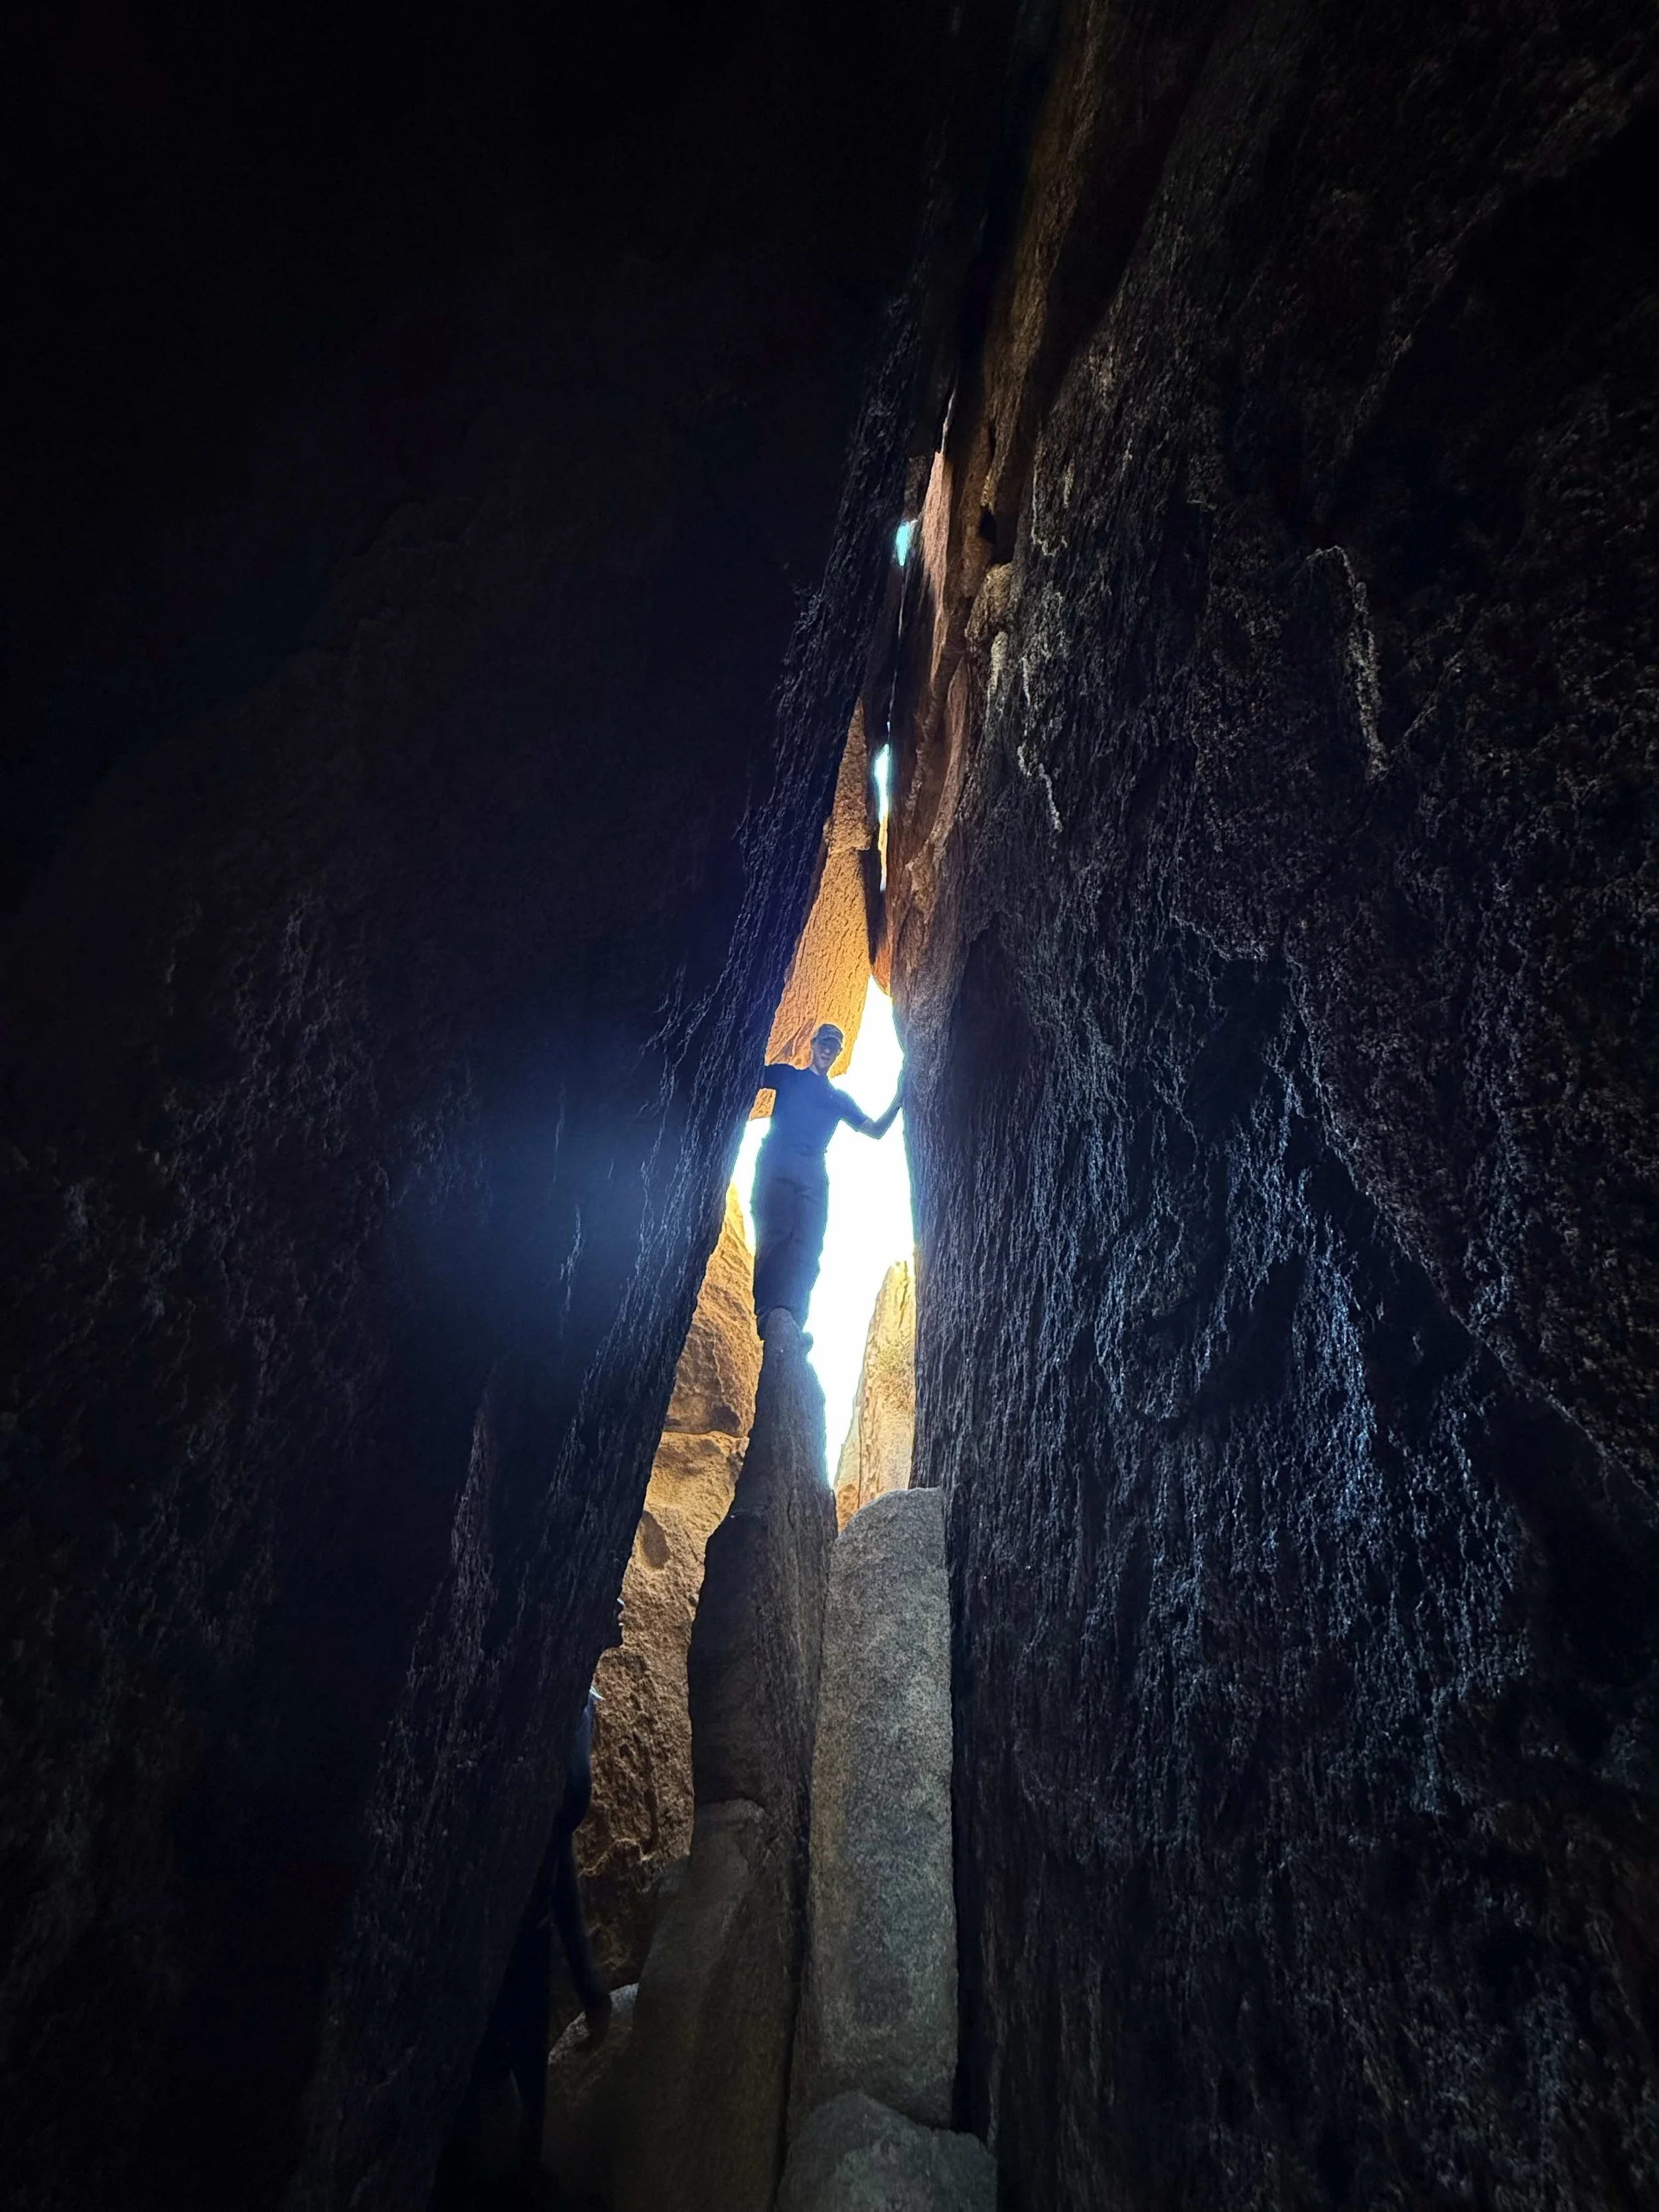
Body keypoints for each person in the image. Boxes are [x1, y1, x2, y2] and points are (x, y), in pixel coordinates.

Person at [752, 1020, 903, 1335]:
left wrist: (901, 1095)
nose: (827, 1050)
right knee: (776, 1234)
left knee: (809, 1244)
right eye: (823, 1043)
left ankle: (793, 1318)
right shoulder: (788, 1076)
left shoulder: (838, 1099)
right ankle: (768, 1311)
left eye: (833, 1047)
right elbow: (748, 1073)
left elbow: (875, 1131)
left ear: (838, 1052)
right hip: (777, 1160)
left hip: (812, 1171)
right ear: (813, 1044)